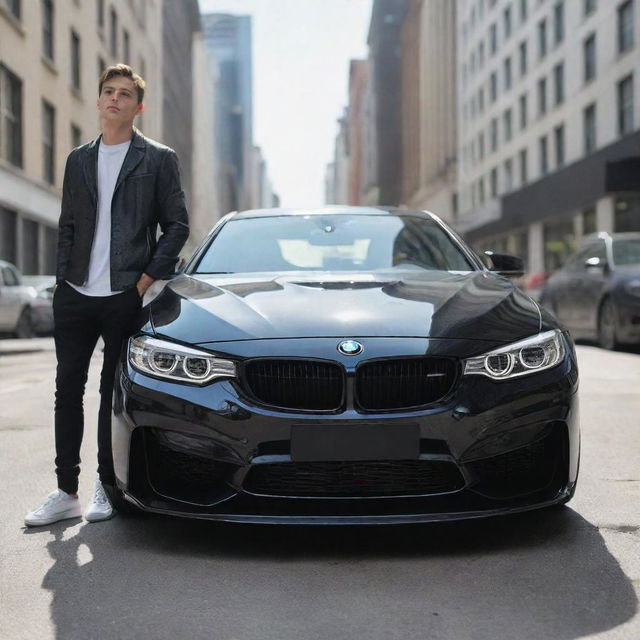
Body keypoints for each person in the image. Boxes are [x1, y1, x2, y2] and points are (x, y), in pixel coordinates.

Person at [25, 64, 189, 526]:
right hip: (75, 291)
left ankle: (105, 483)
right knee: (66, 390)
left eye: (123, 94)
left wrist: (143, 282)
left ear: (138, 107)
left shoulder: (157, 159)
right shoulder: (78, 159)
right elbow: (69, 224)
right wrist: (62, 280)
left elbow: (176, 225)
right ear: (98, 102)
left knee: (109, 392)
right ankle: (64, 491)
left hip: (123, 293)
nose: (114, 99)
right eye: (107, 92)